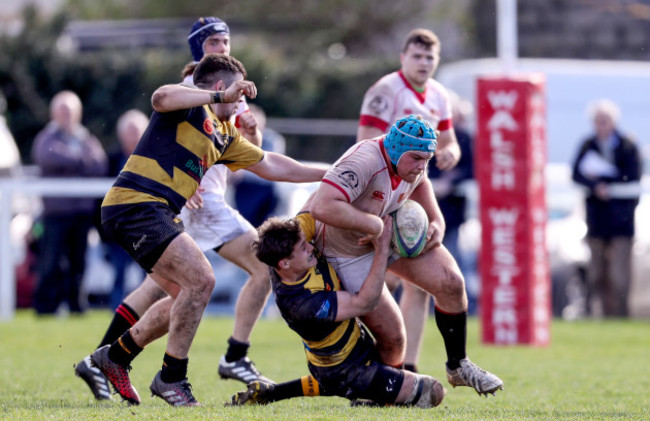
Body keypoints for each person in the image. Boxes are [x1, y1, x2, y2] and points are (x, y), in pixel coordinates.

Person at [86, 54, 326, 407]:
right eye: (239, 96)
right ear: (220, 88)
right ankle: (172, 379)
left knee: (182, 297)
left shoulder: (226, 136)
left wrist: (334, 171)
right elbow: (160, 98)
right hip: (135, 205)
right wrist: (219, 97)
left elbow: (274, 165)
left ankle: (115, 357)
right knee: (202, 280)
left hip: (156, 213)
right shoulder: (189, 105)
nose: (242, 104)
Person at [75, 16, 276, 402]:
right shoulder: (193, 90)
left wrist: (252, 132)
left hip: (188, 203)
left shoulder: (232, 94)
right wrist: (193, 181)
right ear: (200, 49)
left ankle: (105, 360)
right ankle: (222, 359)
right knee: (206, 281)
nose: (223, 48)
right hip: (179, 203)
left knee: (170, 292)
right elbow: (166, 110)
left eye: (226, 42)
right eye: (214, 42)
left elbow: (258, 156)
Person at [309, 115, 503, 396]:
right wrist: (373, 225)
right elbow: (322, 206)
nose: (423, 166)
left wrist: (437, 221)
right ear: (396, 150)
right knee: (394, 337)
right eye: (416, 158)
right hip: (346, 250)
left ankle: (458, 365)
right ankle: (385, 394)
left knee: (451, 282)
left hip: (387, 236)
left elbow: (422, 182)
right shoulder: (364, 161)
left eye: (427, 158)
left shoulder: (412, 163)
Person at [227, 215, 446, 408]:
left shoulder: (292, 247)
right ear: (284, 264)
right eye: (303, 248)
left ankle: (275, 391)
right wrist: (381, 249)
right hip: (347, 372)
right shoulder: (302, 305)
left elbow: (319, 205)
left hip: (348, 354)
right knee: (434, 391)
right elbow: (364, 303)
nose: (311, 247)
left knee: (394, 333)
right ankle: (377, 396)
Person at [356, 28, 461, 372]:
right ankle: (369, 363)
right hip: (379, 198)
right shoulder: (386, 90)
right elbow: (366, 143)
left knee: (420, 286)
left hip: (413, 196)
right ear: (403, 58)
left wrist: (448, 154)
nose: (423, 62)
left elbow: (450, 142)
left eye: (430, 57)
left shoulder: (440, 95)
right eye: (417, 56)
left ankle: (407, 367)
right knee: (374, 283)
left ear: (437, 61)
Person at [31, 90, 108, 315]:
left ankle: (76, 305)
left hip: (80, 213)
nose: (66, 116)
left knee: (78, 263)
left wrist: (71, 162)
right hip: (55, 213)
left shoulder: (85, 137)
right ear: (53, 113)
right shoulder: (47, 137)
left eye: (70, 111)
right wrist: (81, 162)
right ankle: (45, 306)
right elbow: (48, 156)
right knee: (50, 262)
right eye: (62, 111)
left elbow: (100, 163)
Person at [571, 99, 641, 318]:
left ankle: (620, 316)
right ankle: (598, 314)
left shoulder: (628, 145)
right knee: (597, 273)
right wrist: (594, 186)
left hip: (622, 220)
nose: (601, 125)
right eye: (598, 121)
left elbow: (633, 175)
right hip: (597, 220)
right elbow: (576, 173)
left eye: (605, 120)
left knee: (619, 275)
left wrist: (605, 181)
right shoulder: (587, 145)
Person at [427, 91, 476, 314]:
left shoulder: (466, 139)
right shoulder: (434, 135)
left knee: (456, 259)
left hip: (454, 213)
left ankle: (460, 306)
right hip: (431, 209)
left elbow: (471, 170)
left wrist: (452, 180)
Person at [103, 109, 148, 310]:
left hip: (146, 228)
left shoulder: (154, 159)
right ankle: (117, 312)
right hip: (119, 231)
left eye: (137, 131)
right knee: (119, 273)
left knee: (148, 275)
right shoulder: (110, 161)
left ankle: (144, 310)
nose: (133, 136)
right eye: (130, 132)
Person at [232, 103, 286, 227]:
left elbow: (268, 166)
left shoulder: (272, 139)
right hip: (244, 188)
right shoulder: (238, 138)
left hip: (264, 188)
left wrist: (241, 172)